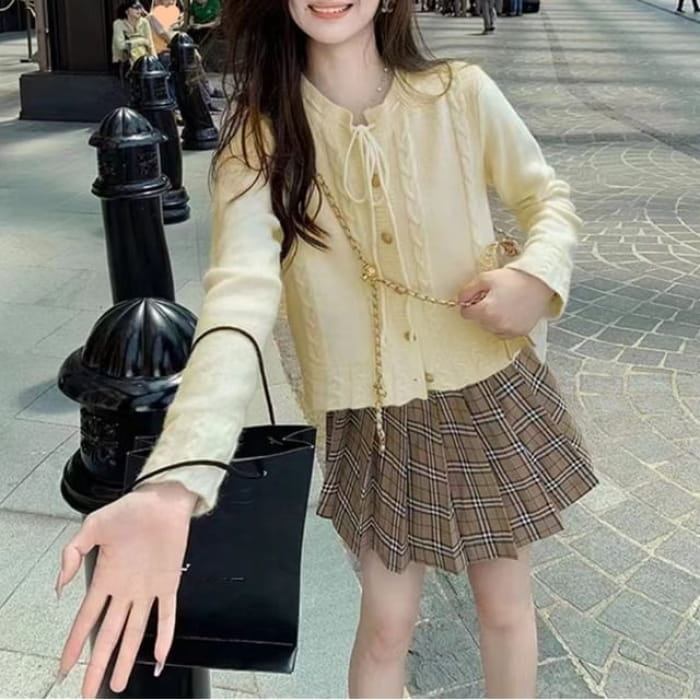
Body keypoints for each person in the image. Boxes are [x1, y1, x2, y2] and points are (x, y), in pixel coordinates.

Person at [57, 0, 597, 698]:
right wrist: (176, 478)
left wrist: (536, 274)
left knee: (505, 605)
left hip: (484, 387)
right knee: (386, 626)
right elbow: (239, 299)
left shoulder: (459, 93)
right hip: (370, 421)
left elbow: (546, 197)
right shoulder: (260, 140)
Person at [111, 1, 156, 68]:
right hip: (125, 60)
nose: (139, 10)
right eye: (135, 8)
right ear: (127, 11)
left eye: (140, 7)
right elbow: (120, 45)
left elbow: (150, 44)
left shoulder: (144, 22)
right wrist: (141, 41)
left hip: (143, 59)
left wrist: (155, 60)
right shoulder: (118, 23)